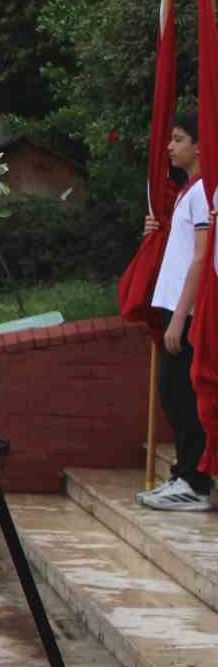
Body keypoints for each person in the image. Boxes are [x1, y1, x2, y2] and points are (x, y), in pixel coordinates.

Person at [140, 111, 213, 512]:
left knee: (182, 395)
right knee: (172, 392)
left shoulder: (204, 192)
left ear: (200, 146)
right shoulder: (188, 191)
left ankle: (195, 482)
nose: (170, 147)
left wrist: (182, 316)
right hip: (173, 307)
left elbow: (201, 258)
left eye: (179, 139)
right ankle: (185, 475)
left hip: (187, 312)